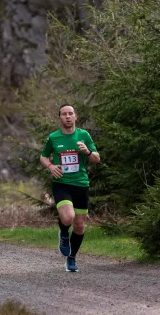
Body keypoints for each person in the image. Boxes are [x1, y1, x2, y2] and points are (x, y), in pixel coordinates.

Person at [40, 104, 100, 272]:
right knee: (68, 217)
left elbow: (97, 158)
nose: (67, 116)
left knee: (80, 226)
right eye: (64, 114)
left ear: (76, 117)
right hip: (62, 183)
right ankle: (64, 233)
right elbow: (43, 157)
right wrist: (51, 167)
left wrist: (87, 152)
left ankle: (71, 258)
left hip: (81, 184)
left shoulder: (83, 135)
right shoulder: (53, 137)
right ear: (59, 118)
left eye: (70, 113)